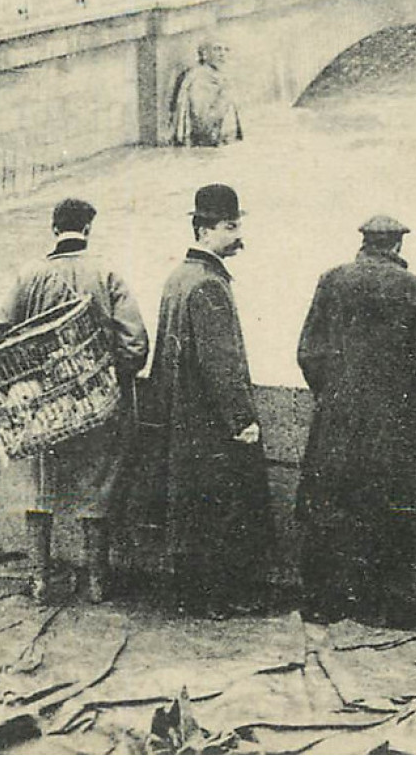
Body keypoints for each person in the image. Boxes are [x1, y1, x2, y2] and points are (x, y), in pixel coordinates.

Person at [0, 198, 149, 603]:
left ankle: (40, 580)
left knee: (40, 490)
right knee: (98, 492)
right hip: (96, 404)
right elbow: (135, 344)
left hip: (44, 408)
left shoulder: (28, 275)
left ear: (54, 228)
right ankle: (97, 582)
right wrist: (106, 376)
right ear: (89, 228)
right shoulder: (107, 272)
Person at [295, 215, 416, 624]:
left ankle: (324, 603)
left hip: (337, 420)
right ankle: (374, 607)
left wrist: (332, 395)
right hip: (392, 425)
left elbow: (309, 352)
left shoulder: (332, 280)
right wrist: (409, 406)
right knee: (382, 511)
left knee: (330, 509)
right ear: (398, 246)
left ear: (364, 242)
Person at [140, 184, 270, 616]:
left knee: (191, 508)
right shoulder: (210, 286)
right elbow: (221, 362)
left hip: (180, 418)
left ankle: (190, 594)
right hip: (209, 423)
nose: (239, 236)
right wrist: (241, 420)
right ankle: (215, 598)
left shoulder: (178, 277)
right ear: (204, 230)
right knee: (220, 508)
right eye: (230, 227)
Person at [169, 41, 243, 147]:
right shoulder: (200, 78)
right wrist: (225, 95)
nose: (222, 54)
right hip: (204, 147)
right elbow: (203, 124)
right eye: (217, 49)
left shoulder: (218, 76)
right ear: (204, 54)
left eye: (226, 49)